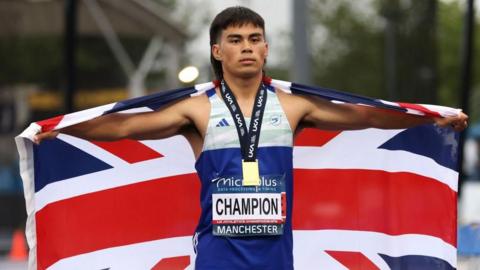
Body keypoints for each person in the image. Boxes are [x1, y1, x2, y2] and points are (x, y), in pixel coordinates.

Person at [34, 6, 468, 270]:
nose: (247, 46)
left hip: (276, 257)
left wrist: (428, 120)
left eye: (255, 39)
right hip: (218, 257)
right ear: (216, 51)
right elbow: (123, 127)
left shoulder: (294, 107)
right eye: (235, 39)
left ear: (266, 49)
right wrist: (61, 129)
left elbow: (364, 116)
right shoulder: (197, 110)